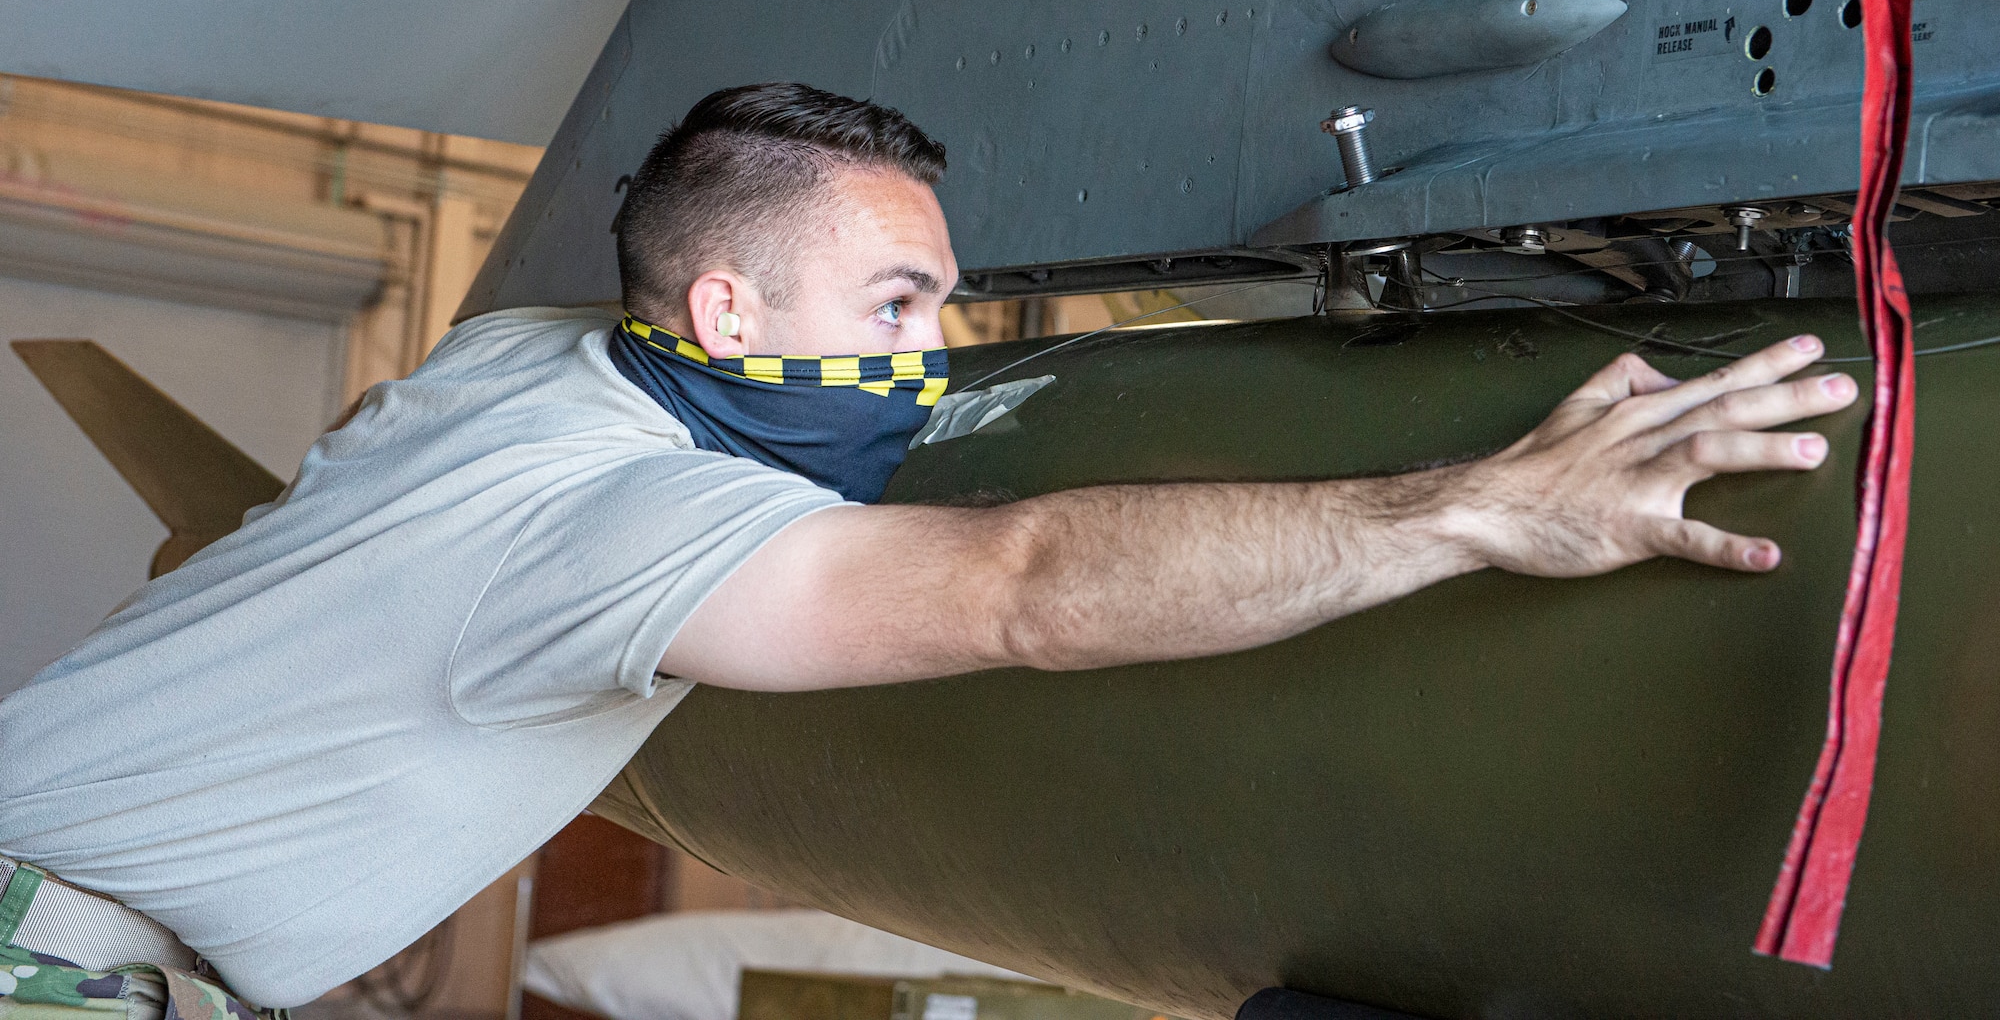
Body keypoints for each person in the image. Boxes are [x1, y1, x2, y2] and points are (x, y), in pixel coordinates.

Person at [0, 83, 1857, 1013]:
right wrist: (1468, 505)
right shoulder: (622, 523)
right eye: (898, 300)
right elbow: (1022, 590)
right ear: (723, 305)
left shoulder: (533, 363)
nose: (930, 350)